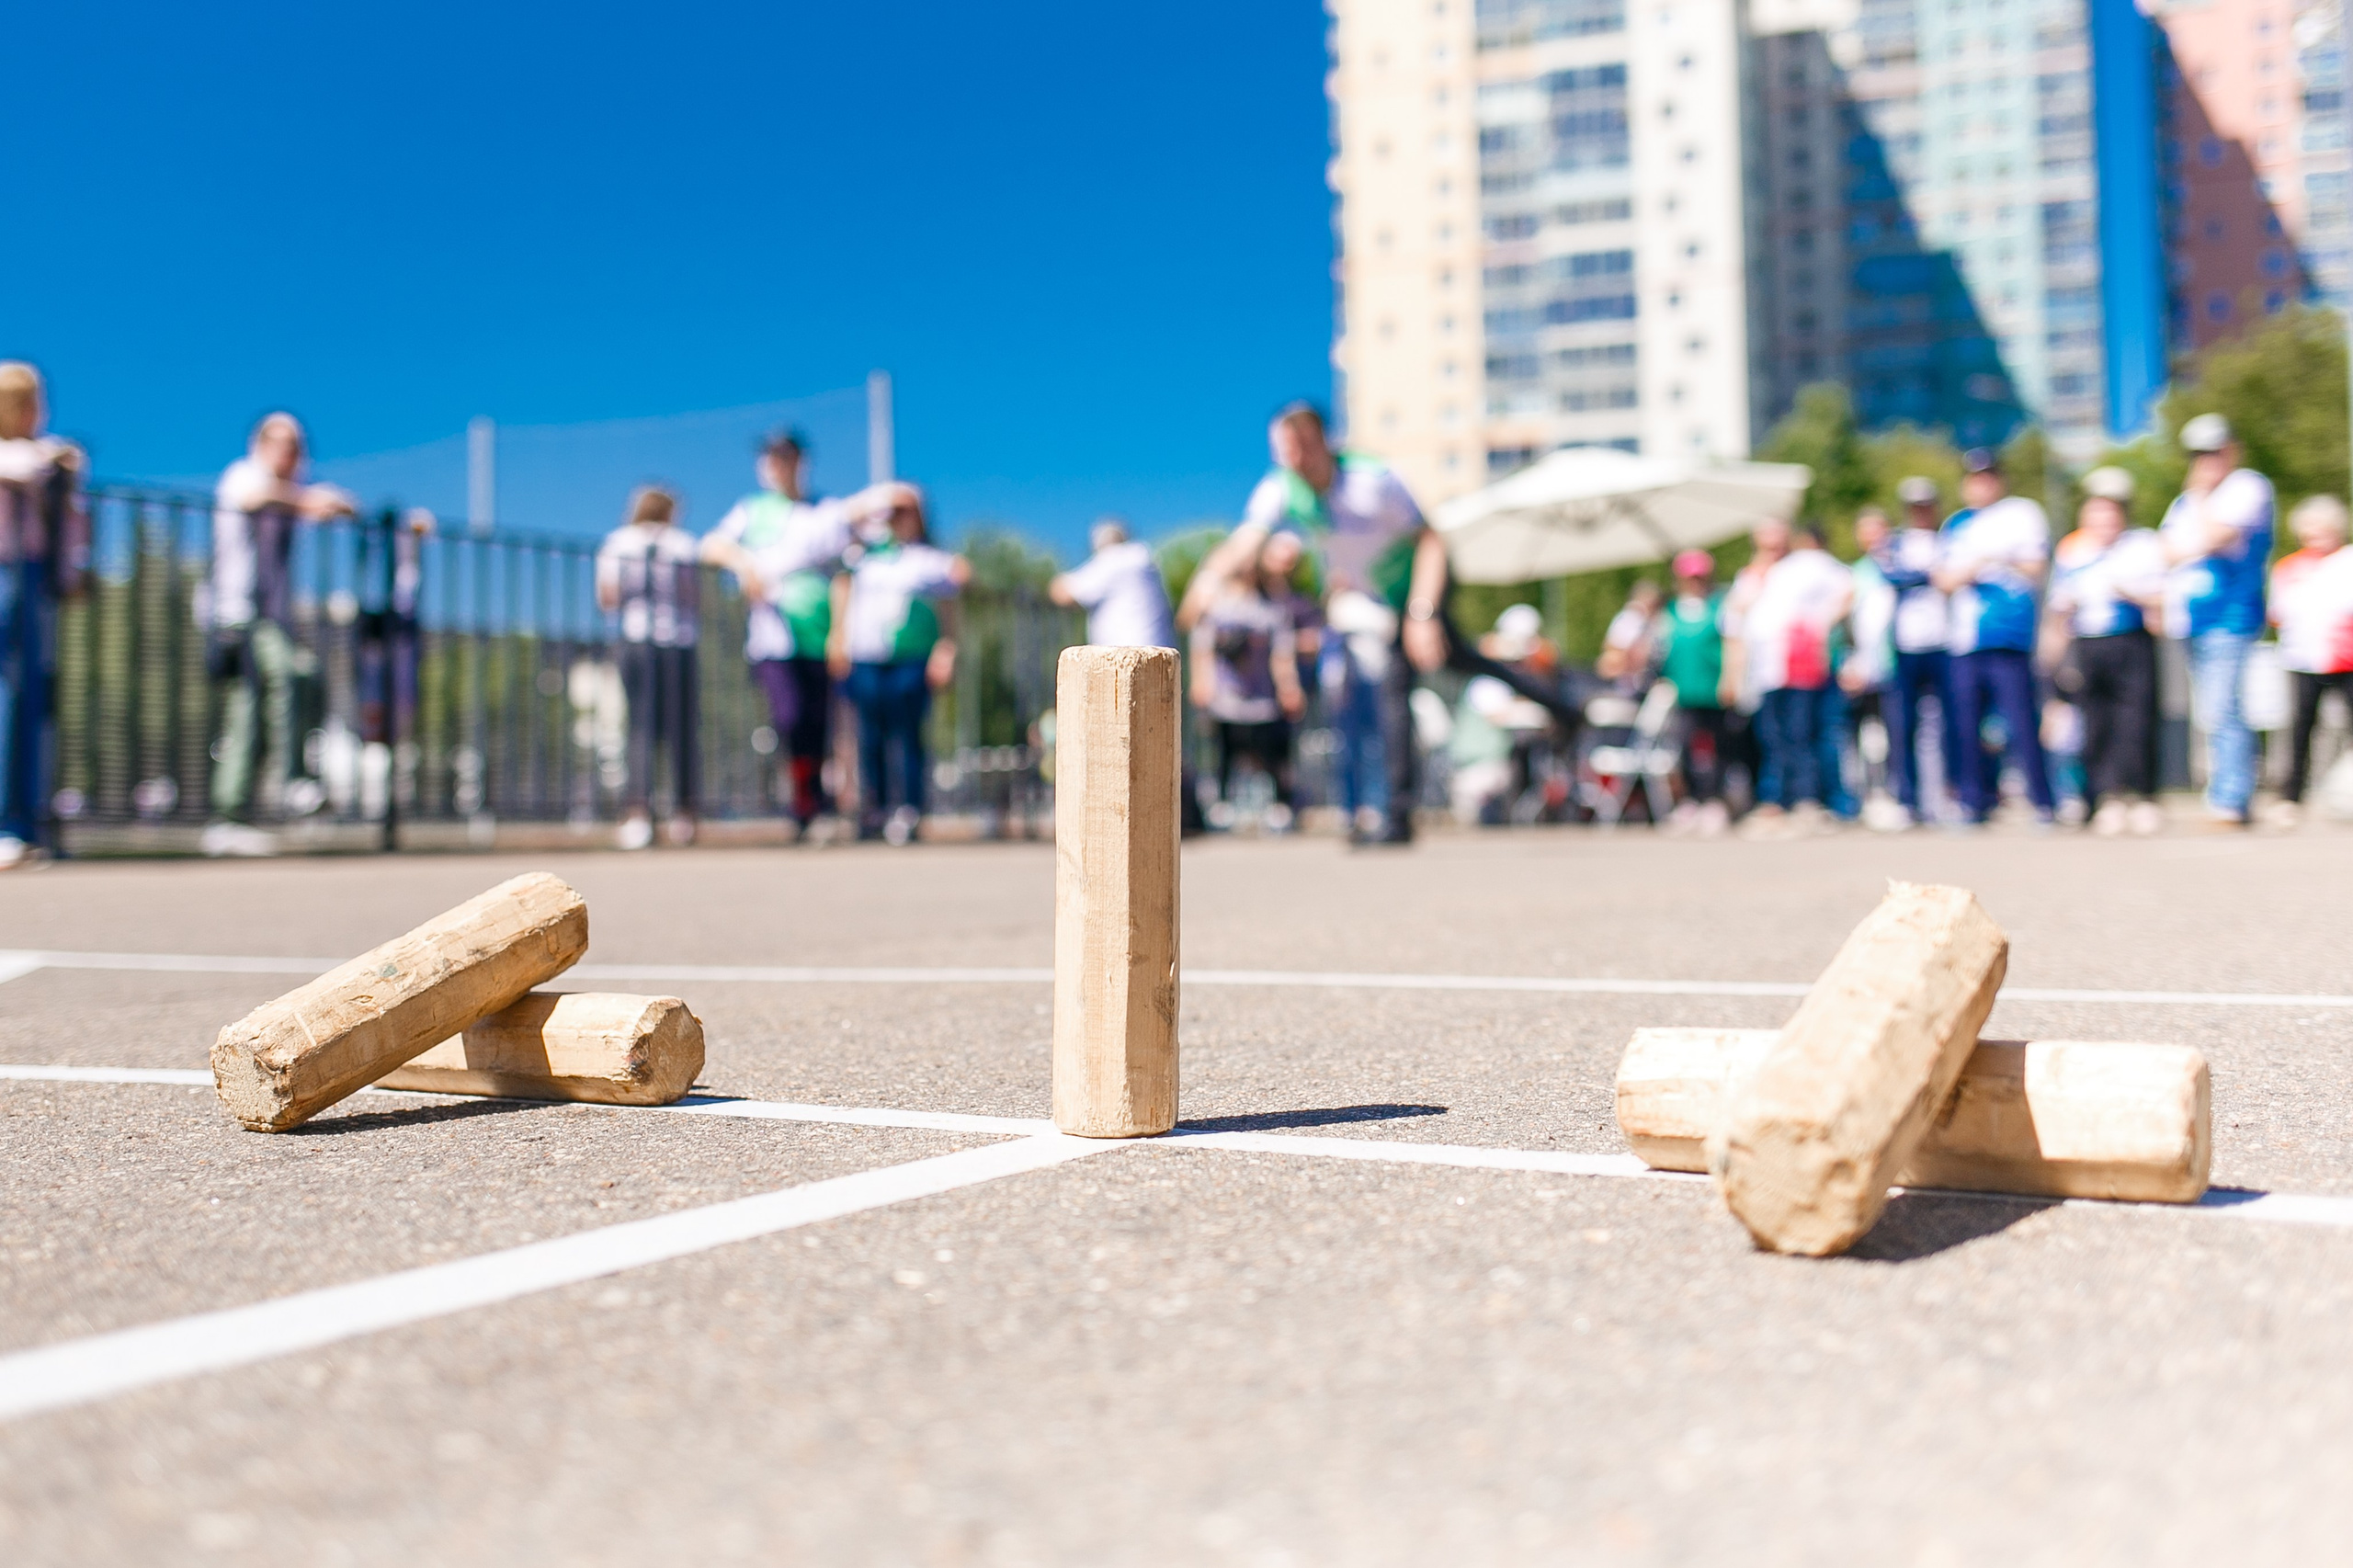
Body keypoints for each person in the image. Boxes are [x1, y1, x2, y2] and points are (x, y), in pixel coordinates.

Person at [1182, 403, 1569, 846]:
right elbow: (1247, 540)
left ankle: (1396, 816)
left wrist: (1422, 614)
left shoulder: (1372, 480)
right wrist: (1208, 581)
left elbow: (1430, 541)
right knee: (1446, 667)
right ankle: (1564, 711)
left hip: (1418, 588)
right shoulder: (1283, 488)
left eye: (1298, 447)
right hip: (1377, 599)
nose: (1291, 460)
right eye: (1282, 451)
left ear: (1319, 442)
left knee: (1398, 685)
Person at [700, 433, 900, 835]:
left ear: (800, 462)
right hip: (773, 637)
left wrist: (840, 632)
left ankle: (815, 807)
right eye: (771, 457)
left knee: (819, 723)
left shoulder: (825, 511)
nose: (777, 465)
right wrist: (743, 565)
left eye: (785, 457)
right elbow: (711, 546)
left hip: (820, 635)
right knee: (790, 718)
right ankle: (804, 800)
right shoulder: (751, 509)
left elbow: (849, 563)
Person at [203, 413, 358, 856]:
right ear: (261, 444)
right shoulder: (244, 475)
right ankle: (291, 783)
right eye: (283, 444)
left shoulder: (289, 493)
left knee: (252, 708)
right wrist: (309, 499)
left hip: (268, 616)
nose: (292, 455)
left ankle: (230, 815)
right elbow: (256, 497)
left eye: (298, 446)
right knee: (291, 674)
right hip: (236, 614)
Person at [828, 484, 969, 845]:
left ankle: (908, 809)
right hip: (867, 658)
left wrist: (946, 650)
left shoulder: (932, 560)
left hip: (911, 659)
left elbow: (951, 601)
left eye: (904, 511)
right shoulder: (863, 556)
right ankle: (872, 809)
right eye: (892, 511)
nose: (896, 518)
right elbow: (841, 582)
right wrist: (838, 636)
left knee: (907, 735)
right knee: (869, 735)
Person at [2159, 413, 2276, 826]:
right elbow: (2167, 553)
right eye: (2198, 453)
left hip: (2232, 616)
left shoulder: (2247, 486)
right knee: (2211, 711)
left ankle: (2231, 797)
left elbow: (2218, 536)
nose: (2205, 460)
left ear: (2231, 449)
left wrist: (2202, 498)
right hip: (2192, 620)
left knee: (2224, 708)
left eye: (2213, 451)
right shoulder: (2185, 501)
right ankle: (2227, 791)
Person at [1933, 448, 2055, 825]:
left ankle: (2042, 801)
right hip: (1965, 641)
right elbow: (1944, 579)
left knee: (2021, 722)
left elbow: (2035, 566)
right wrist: (1975, 568)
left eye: (1988, 476)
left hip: (2009, 637)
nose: (1981, 484)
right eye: (1974, 477)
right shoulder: (1956, 524)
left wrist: (1992, 561)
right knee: (1965, 726)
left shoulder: (2021, 514)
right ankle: (1975, 800)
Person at [2045, 467, 2168, 835]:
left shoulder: (2143, 545)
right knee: (2096, 723)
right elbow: (2060, 609)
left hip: (2132, 639)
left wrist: (2130, 592)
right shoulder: (2073, 549)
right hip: (2089, 643)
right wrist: (2052, 658)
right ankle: (2107, 797)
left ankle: (2144, 796)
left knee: (2137, 720)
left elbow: (2161, 599)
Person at [0, 363, 87, 870]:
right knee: (8, 696)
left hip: (31, 576)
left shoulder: (49, 458)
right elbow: (26, 468)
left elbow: (71, 512)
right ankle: (9, 824)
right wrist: (50, 459)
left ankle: (27, 822)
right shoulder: (30, 457)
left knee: (32, 700)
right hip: (7, 572)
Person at [1725, 521, 1852, 834]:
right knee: (1771, 737)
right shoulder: (1751, 576)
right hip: (1765, 669)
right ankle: (1775, 801)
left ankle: (1805, 799)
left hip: (1801, 665)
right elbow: (1734, 621)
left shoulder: (1807, 566)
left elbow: (1846, 590)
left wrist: (1821, 628)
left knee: (1802, 734)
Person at [597, 485, 702, 851]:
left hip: (636, 640)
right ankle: (684, 816)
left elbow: (607, 596)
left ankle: (638, 814)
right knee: (682, 730)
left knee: (640, 726)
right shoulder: (684, 544)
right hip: (679, 643)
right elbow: (694, 595)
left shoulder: (618, 542)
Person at [1188, 539, 1303, 827]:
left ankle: (1279, 808)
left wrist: (1289, 687)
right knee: (1224, 754)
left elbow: (1281, 654)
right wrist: (1202, 682)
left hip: (1262, 699)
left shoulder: (1271, 609)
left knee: (1272, 754)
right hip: (1226, 698)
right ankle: (1222, 807)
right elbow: (1201, 646)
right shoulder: (1215, 606)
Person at [1876, 476, 1960, 825]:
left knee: (1952, 724)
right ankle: (1906, 799)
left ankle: (1952, 795)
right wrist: (1929, 576)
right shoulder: (1896, 542)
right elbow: (1892, 576)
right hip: (1906, 645)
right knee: (1902, 726)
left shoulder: (1949, 540)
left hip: (1946, 642)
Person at [2268, 494, 2353, 826]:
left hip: (2346, 658)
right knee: (2300, 727)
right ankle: (2290, 796)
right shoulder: (2288, 568)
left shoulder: (2348, 561)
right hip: (2303, 659)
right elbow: (2278, 614)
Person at [1657, 549, 1730, 835]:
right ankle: (1690, 801)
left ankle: (1715, 801)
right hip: (1682, 690)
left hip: (1714, 689)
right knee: (1684, 747)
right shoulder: (1671, 611)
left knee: (1719, 749)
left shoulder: (1719, 606)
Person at [1842, 508, 1902, 827]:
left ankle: (1898, 795)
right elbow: (1850, 624)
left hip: (1898, 667)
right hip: (1866, 669)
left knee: (1896, 734)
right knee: (1869, 737)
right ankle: (1872, 797)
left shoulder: (1901, 568)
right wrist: (1851, 660)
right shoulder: (1857, 573)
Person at [1051, 518, 1176, 651]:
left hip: (1125, 655)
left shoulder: (1114, 559)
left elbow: (1064, 593)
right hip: (1160, 652)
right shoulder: (1142, 557)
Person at [1597, 579, 1663, 691]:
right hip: (1628, 685)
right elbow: (1611, 658)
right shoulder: (1629, 619)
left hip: (1645, 681)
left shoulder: (1655, 622)